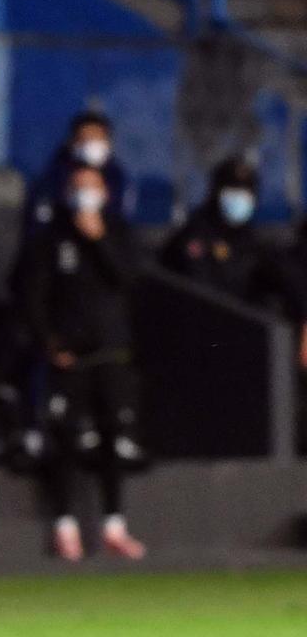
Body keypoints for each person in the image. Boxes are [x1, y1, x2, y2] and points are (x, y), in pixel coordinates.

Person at [18, 164, 147, 562]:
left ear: (105, 192)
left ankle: (113, 525)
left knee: (113, 438)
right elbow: (31, 296)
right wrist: (48, 342)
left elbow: (128, 280)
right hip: (69, 359)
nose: (85, 195)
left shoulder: (119, 232)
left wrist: (100, 240)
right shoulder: (50, 240)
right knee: (66, 439)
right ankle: (65, 525)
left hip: (111, 356)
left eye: (92, 187)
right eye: (78, 187)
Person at [160, 157, 307, 369]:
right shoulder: (194, 238)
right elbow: (200, 295)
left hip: (244, 347)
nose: (240, 200)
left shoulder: (252, 241)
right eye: (232, 192)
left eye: (246, 193)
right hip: (201, 351)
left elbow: (289, 278)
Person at [23, 109, 130, 236]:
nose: (90, 144)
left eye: (96, 138)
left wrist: (101, 233)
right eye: (84, 138)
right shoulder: (50, 179)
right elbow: (36, 231)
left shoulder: (117, 178)